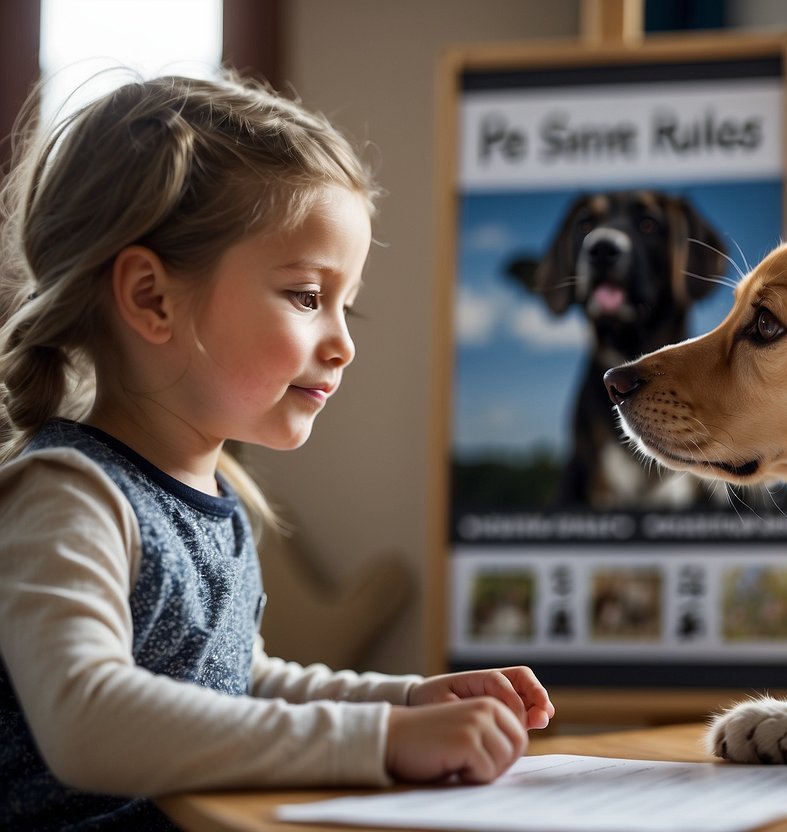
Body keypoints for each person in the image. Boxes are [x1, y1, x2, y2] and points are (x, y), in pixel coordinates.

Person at [0, 72, 555, 830]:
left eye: (346, 305)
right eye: (306, 296)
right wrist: (380, 741)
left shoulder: (214, 499)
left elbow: (243, 684)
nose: (344, 344)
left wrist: (406, 700)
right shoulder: (67, 496)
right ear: (151, 299)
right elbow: (86, 720)